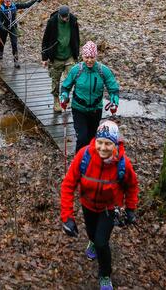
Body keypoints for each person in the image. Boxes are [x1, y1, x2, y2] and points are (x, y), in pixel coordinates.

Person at [60, 120, 139, 290]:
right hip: (87, 205)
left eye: (108, 144)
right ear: (95, 140)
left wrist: (131, 209)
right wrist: (67, 217)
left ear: (115, 144)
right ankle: (92, 241)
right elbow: (68, 185)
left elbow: (132, 186)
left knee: (102, 242)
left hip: (109, 208)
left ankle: (105, 274)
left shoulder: (123, 163)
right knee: (91, 233)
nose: (103, 148)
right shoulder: (84, 156)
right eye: (100, 142)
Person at [59, 41, 119, 152]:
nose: (89, 60)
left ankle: (90, 161)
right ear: (83, 56)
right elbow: (65, 87)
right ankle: (79, 162)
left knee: (92, 139)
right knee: (82, 138)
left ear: (96, 56)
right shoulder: (77, 70)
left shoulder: (102, 70)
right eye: (86, 57)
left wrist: (114, 101)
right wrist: (64, 97)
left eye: (92, 57)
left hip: (95, 110)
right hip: (79, 109)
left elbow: (113, 88)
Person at [41, 5, 80, 112]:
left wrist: (76, 53)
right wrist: (44, 57)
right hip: (56, 57)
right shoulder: (52, 22)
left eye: (65, 17)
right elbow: (45, 40)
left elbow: (76, 37)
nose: (64, 19)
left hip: (69, 55)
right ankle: (56, 101)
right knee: (55, 80)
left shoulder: (73, 20)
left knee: (71, 77)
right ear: (59, 14)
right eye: (62, 17)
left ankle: (66, 98)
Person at [0, 0, 42, 68]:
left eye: (10, 0)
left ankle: (16, 61)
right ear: (4, 0)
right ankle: (1, 52)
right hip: (4, 28)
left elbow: (26, 5)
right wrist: (1, 26)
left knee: (14, 44)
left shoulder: (14, 5)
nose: (9, 2)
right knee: (3, 41)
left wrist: (35, 1)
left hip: (13, 27)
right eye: (7, 1)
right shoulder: (1, 9)